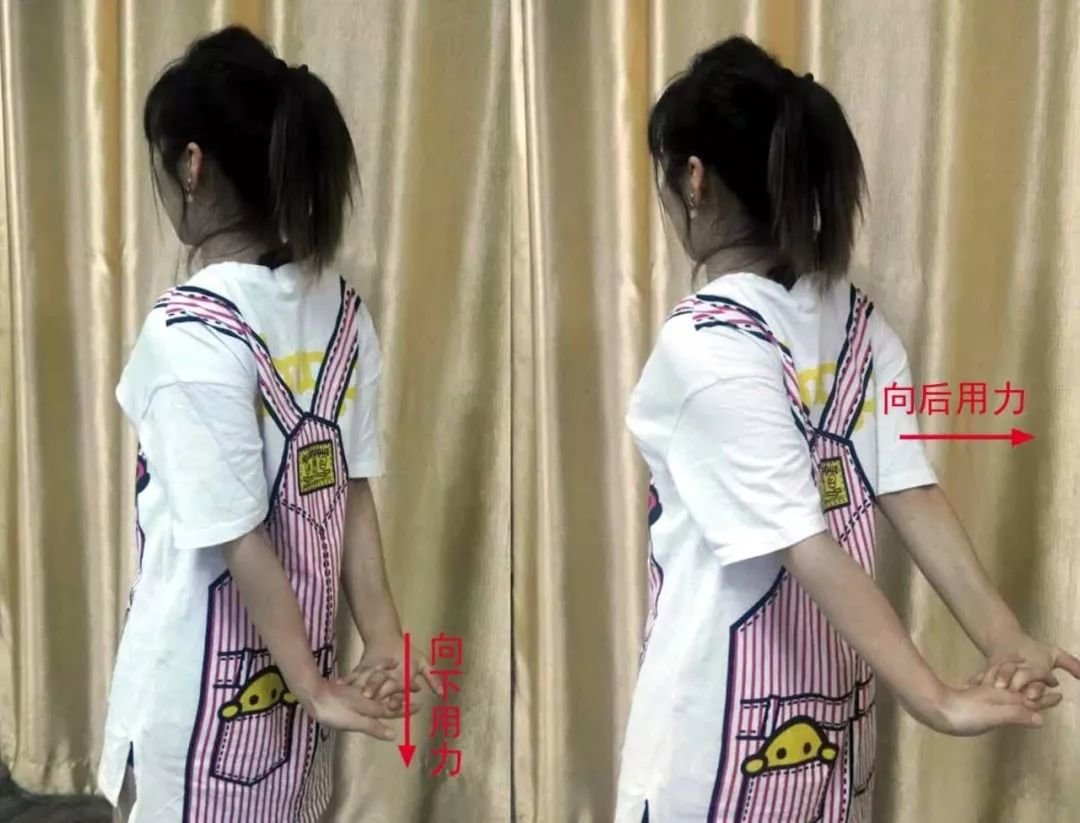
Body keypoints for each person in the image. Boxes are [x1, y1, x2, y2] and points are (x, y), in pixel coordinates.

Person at [615, 36, 1080, 823]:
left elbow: (815, 539)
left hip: (714, 749)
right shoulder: (858, 325)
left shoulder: (707, 345)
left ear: (694, 177)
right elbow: (911, 494)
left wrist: (951, 686)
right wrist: (996, 637)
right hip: (827, 730)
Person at [97, 26, 433, 823]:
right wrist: (380, 633)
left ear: (191, 164)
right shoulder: (342, 312)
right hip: (292, 686)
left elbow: (236, 532)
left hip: (204, 699)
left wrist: (319, 687)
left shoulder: (186, 332)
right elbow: (351, 492)